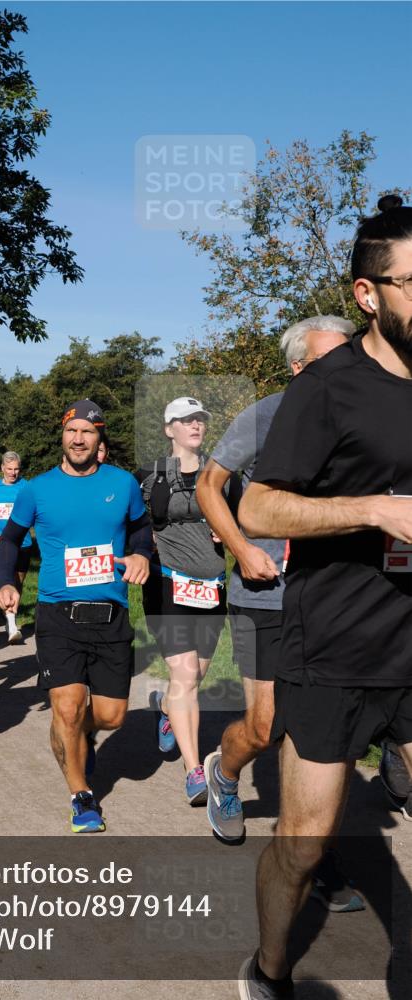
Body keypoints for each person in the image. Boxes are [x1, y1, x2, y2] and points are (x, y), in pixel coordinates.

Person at [236, 194, 412, 1000]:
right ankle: (270, 969)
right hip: (335, 643)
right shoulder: (329, 387)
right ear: (368, 294)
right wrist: (373, 509)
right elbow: (257, 507)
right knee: (305, 845)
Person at [196, 316, 354, 842]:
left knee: (318, 733)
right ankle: (223, 772)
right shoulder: (264, 417)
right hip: (262, 595)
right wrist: (240, 549)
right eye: (329, 361)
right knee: (265, 727)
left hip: (330, 597)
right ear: (297, 368)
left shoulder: (360, 424)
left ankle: (306, 849)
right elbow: (208, 485)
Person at [0, 399, 151, 833]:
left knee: (112, 715)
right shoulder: (37, 489)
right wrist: (8, 582)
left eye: (88, 431)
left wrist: (139, 554)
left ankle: (83, 737)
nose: (78, 438)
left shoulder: (122, 484)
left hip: (111, 612)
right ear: (62, 436)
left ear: (100, 439)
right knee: (66, 708)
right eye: (71, 431)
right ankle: (82, 797)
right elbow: (10, 540)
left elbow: (140, 528)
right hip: (57, 612)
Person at [142, 397, 240, 805]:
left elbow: (244, 518)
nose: (195, 425)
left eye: (200, 418)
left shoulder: (221, 476)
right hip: (168, 584)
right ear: (170, 430)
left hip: (212, 584)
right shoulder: (148, 477)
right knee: (185, 678)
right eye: (186, 420)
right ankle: (194, 770)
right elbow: (131, 524)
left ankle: (165, 708)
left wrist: (229, 529)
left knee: (191, 679)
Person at [0, 450, 32, 643]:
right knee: (6, 580)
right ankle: (12, 624)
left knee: (18, 582)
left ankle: (10, 616)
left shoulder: (27, 487)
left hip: (24, 542)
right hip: (1, 542)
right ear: (2, 468)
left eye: (16, 469)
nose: (13, 473)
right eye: (9, 469)